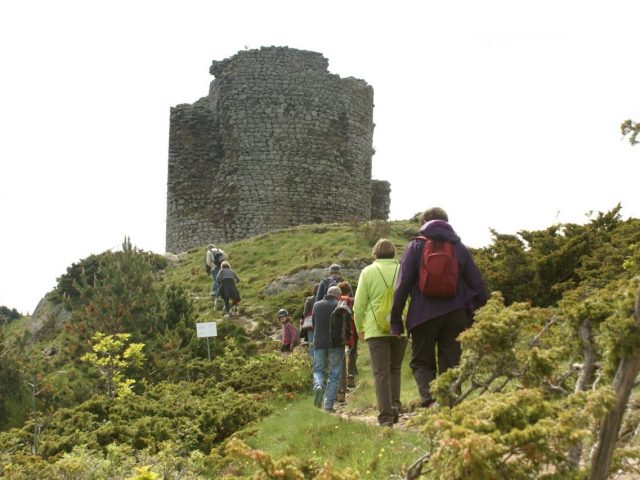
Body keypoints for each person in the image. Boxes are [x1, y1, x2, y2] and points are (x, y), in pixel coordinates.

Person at [390, 207, 488, 408]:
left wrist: (396, 321)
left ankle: (430, 400)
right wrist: (475, 314)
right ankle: (450, 405)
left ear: (424, 223)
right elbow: (478, 285)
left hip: (422, 315)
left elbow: (403, 286)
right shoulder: (458, 247)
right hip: (455, 314)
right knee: (451, 364)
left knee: (421, 362)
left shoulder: (416, 246)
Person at [353, 239, 407, 427]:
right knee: (395, 369)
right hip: (400, 326)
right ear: (393, 252)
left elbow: (358, 306)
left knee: (381, 373)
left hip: (376, 330)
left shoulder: (368, 272)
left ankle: (385, 417)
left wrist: (360, 327)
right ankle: (394, 406)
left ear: (375, 253)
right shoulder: (403, 270)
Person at [311, 285, 344, 412]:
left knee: (318, 369)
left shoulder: (317, 305)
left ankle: (318, 385)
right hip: (336, 344)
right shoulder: (340, 305)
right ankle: (328, 405)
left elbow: (314, 324)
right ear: (338, 295)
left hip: (319, 343)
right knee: (334, 374)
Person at [336, 281, 357, 403]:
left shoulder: (336, 301)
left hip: (339, 332)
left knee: (341, 358)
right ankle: (351, 377)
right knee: (352, 352)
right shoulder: (351, 300)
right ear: (348, 290)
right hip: (352, 329)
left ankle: (341, 390)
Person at [300, 284, 319, 358]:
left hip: (310, 324)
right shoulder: (323, 299)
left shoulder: (309, 299)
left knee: (311, 343)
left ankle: (312, 361)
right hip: (320, 324)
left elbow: (305, 312)